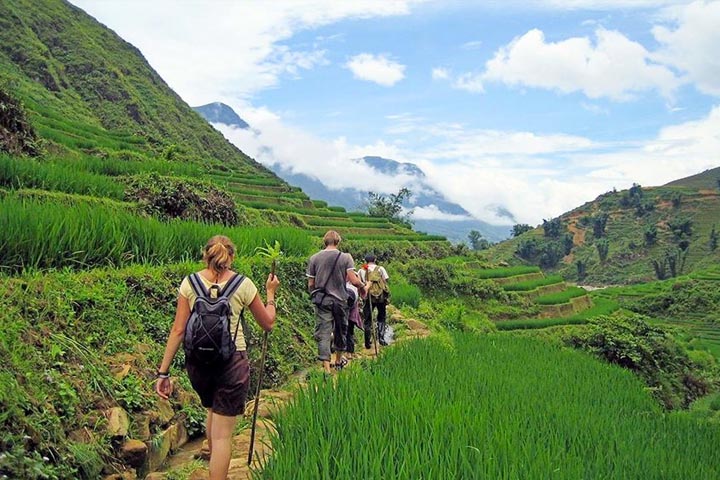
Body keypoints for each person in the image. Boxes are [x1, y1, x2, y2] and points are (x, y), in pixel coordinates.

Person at [155, 235, 279, 480]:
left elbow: (178, 329)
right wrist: (271, 294)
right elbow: (267, 323)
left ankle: (212, 465)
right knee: (223, 437)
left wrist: (163, 372)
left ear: (206, 255)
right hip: (232, 362)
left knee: (212, 408)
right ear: (231, 257)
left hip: (198, 365)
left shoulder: (189, 283)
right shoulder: (243, 285)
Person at [306, 230, 367, 374]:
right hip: (340, 300)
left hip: (323, 301)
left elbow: (310, 284)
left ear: (324, 242)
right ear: (338, 242)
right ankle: (338, 361)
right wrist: (363, 286)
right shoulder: (346, 257)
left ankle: (326, 369)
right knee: (341, 330)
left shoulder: (314, 258)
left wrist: (317, 295)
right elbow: (353, 280)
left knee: (324, 333)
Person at [359, 254, 390, 347]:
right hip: (380, 297)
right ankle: (381, 338)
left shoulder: (361, 270)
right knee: (381, 317)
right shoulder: (380, 269)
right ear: (375, 259)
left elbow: (360, 284)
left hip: (368, 297)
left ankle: (367, 342)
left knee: (367, 319)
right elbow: (386, 280)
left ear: (365, 261)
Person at [343, 278, 363, 361]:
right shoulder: (356, 286)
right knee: (349, 332)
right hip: (351, 315)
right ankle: (349, 353)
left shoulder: (343, 284)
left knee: (343, 331)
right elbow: (363, 294)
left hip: (342, 312)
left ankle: (343, 352)